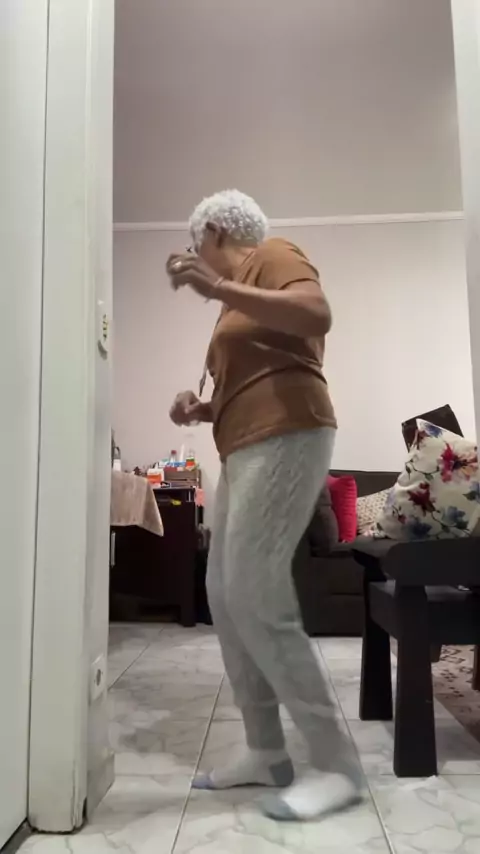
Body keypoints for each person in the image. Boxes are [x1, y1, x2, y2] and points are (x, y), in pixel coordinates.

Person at [166, 189, 362, 821]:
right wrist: (202, 408)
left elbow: (316, 313)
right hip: (243, 443)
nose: (197, 256)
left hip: (289, 432)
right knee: (224, 593)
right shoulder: (235, 302)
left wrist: (220, 288)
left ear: (216, 232)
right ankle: (265, 750)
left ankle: (335, 766)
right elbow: (253, 375)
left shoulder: (272, 254)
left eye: (198, 244)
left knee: (255, 589)